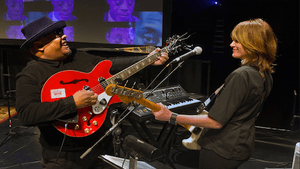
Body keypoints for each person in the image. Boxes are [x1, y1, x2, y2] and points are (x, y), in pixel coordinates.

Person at [16, 16, 168, 169]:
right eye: (55, 34)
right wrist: (72, 103)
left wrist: (147, 60)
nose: (64, 36)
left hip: (103, 147)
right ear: (39, 45)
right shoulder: (30, 75)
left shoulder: (79, 57)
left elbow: (111, 65)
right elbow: (26, 114)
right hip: (64, 157)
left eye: (60, 31)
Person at [152, 18, 277, 169]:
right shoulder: (264, 74)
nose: (231, 44)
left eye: (237, 41)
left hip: (222, 149)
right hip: (240, 145)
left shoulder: (242, 75)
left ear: (253, 43)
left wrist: (170, 116)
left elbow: (215, 121)